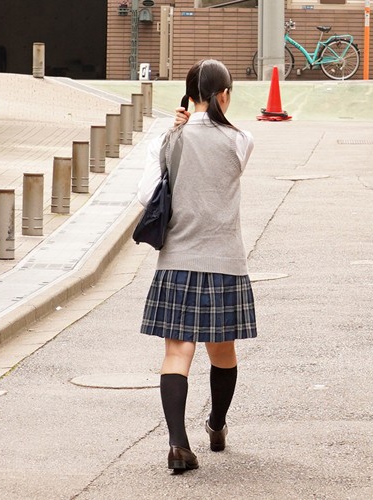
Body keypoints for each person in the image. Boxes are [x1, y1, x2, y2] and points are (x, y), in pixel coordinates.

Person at [136, 59, 257, 473]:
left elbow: (145, 196)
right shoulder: (241, 140)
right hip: (225, 260)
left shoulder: (168, 139)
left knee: (177, 351)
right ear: (224, 95)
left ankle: (177, 445)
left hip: (177, 259)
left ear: (188, 96)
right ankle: (217, 425)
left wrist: (175, 133)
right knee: (222, 352)